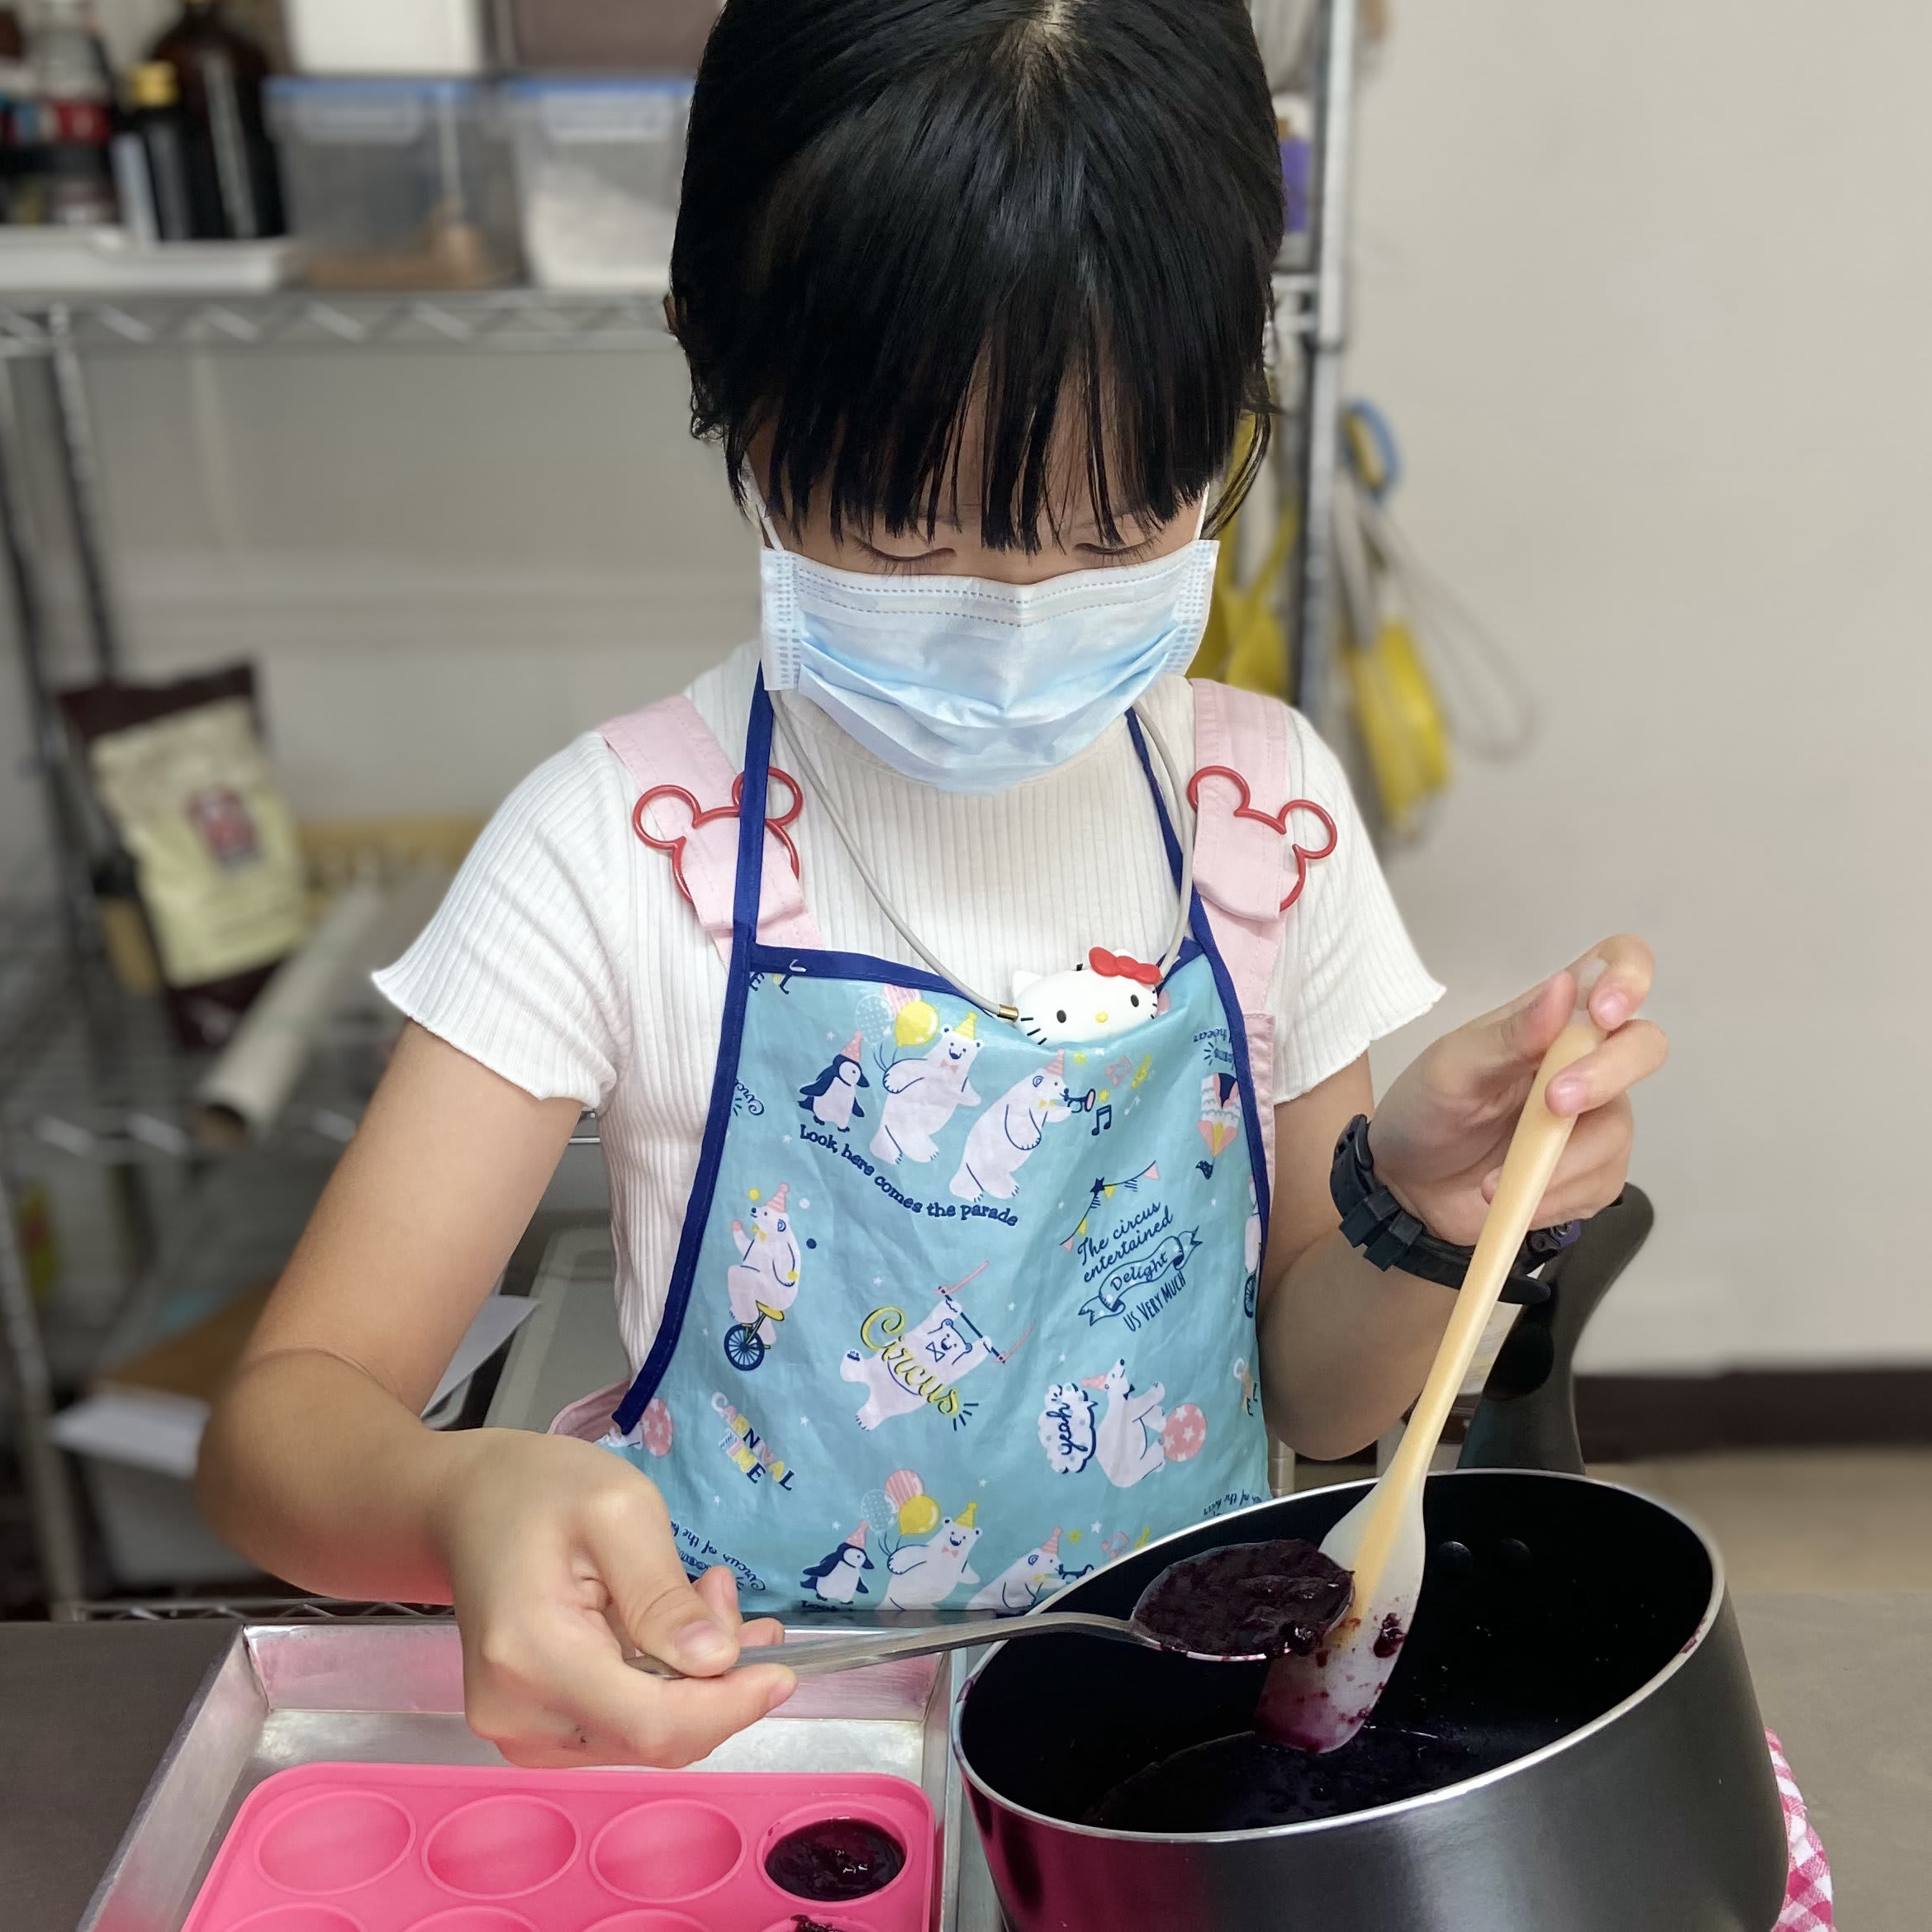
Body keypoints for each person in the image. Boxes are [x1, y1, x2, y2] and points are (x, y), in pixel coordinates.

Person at [198, 0, 1666, 1771]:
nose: (1016, 616)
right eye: (906, 534)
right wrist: (456, 1498)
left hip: (1151, 1740)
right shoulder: (617, 847)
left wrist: (1419, 1216)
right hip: (744, 1743)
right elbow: (282, 1432)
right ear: (715, 360)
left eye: (1122, 531)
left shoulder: (1260, 812)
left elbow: (1322, 1397)